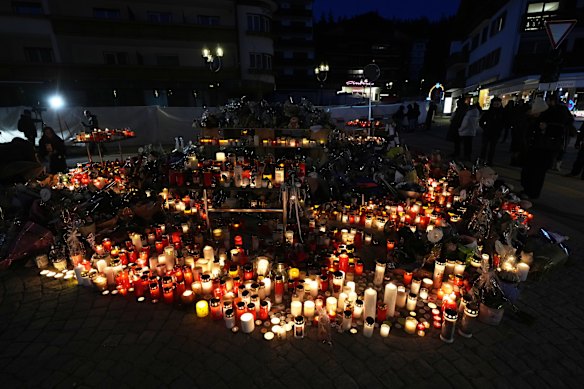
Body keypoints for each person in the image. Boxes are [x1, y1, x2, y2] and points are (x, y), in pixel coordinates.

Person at [519, 97, 564, 200]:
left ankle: (532, 193)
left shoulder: (551, 120)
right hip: (534, 150)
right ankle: (527, 190)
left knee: (537, 174)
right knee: (528, 172)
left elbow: (558, 133)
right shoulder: (536, 119)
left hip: (543, 152)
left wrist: (546, 129)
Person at [545, 94, 574, 172]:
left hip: (553, 131)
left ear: (552, 101)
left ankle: (550, 164)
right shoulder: (563, 108)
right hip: (562, 131)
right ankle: (557, 165)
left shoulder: (550, 109)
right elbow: (570, 119)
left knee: (550, 148)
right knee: (560, 148)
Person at [479, 97, 505, 165]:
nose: (496, 105)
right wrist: (485, 127)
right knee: (484, 147)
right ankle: (482, 159)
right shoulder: (488, 112)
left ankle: (489, 161)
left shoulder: (502, 113)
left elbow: (505, 122)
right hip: (487, 132)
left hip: (496, 133)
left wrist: (500, 129)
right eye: (495, 103)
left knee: (492, 148)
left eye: (498, 103)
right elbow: (481, 121)